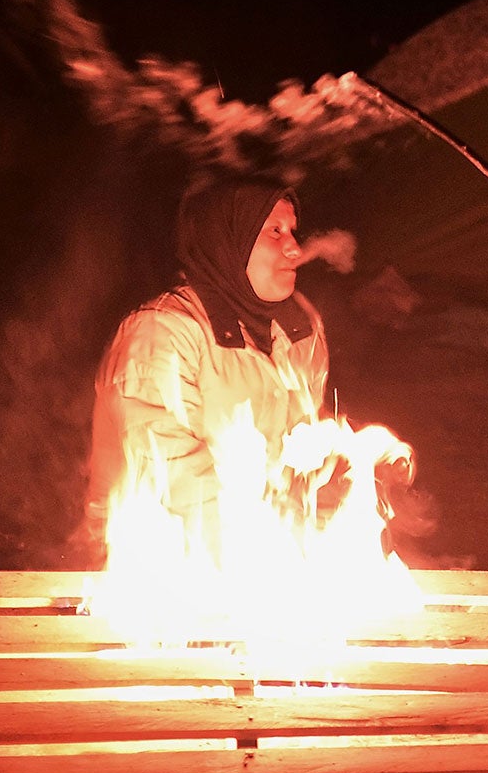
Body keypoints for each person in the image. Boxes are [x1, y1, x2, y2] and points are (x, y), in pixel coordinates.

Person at [85, 176, 329, 560]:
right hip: (156, 559)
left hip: (263, 546)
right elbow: (166, 472)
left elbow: (303, 454)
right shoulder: (163, 330)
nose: (294, 248)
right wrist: (262, 544)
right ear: (228, 242)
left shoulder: (300, 329)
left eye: (293, 232)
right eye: (274, 232)